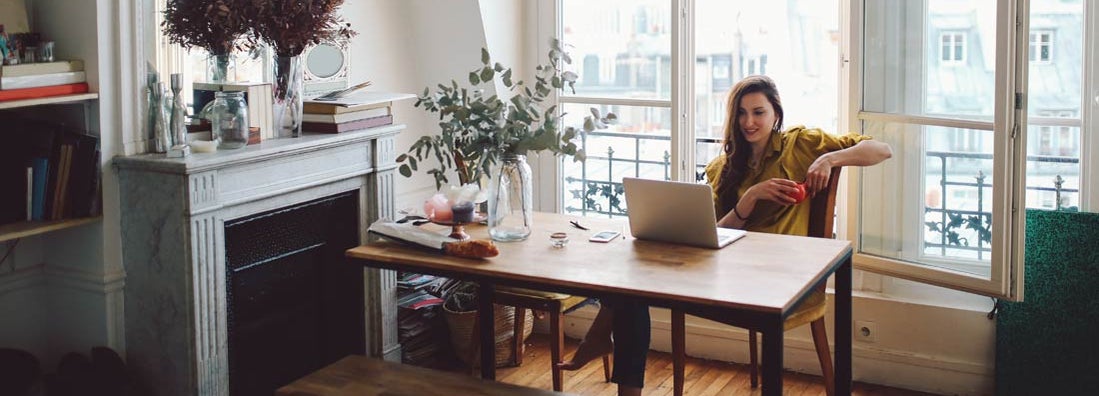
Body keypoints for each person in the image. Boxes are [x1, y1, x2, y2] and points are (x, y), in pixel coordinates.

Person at [558, 75, 892, 394]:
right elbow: (715, 234)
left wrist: (830, 158)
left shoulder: (800, 144)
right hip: (728, 271)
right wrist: (749, 199)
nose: (749, 122)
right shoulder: (723, 167)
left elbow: (881, 149)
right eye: (742, 113)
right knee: (633, 280)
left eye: (759, 112)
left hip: (785, 277)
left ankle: (598, 337)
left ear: (776, 112)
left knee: (631, 289)